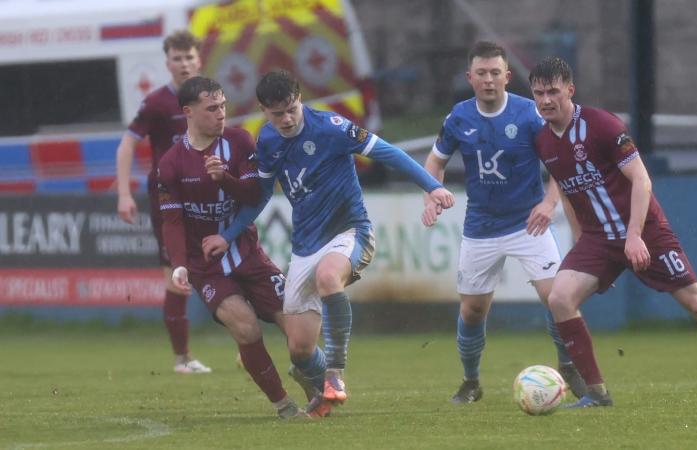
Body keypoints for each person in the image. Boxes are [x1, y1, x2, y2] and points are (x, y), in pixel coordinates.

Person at [201, 70, 455, 413]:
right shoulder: (267, 141)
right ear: (264, 110)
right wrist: (227, 235)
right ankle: (323, 394)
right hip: (305, 246)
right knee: (300, 349)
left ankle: (335, 374)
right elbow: (260, 198)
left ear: (299, 98)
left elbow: (388, 153)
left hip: (350, 231)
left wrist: (432, 186)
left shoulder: (332, 127)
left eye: (292, 108)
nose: (287, 119)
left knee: (327, 277)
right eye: (278, 113)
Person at [528, 56, 697, 407]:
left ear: (570, 90)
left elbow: (642, 180)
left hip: (645, 231)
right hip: (598, 239)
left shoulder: (602, 124)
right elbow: (568, 191)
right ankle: (597, 395)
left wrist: (633, 236)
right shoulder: (544, 141)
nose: (545, 100)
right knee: (559, 298)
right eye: (538, 93)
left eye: (552, 91)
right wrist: (581, 245)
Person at [421, 40, 587, 404]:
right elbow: (435, 162)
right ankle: (470, 381)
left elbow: (559, 161)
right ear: (470, 77)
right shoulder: (459, 117)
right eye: (481, 73)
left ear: (508, 77)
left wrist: (548, 201)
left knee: (557, 298)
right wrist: (431, 192)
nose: (489, 79)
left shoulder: (530, 115)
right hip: (481, 227)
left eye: (495, 72)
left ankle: (568, 366)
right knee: (473, 309)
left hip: (529, 224)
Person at [157, 76, 308, 419]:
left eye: (223, 106)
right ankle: (283, 405)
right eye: (212, 108)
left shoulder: (239, 141)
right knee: (246, 326)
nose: (221, 114)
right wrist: (179, 264)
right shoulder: (170, 163)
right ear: (188, 112)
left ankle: (318, 386)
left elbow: (255, 196)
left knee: (298, 331)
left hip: (248, 253)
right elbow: (173, 221)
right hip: (205, 265)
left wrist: (224, 178)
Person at [115, 30, 211, 374]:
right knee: (176, 275)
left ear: (198, 59)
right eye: (177, 58)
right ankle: (182, 358)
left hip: (211, 196)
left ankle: (247, 345)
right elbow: (127, 145)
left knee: (234, 267)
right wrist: (125, 194)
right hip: (169, 199)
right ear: (167, 62)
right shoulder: (156, 103)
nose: (184, 64)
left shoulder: (212, 99)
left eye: (189, 57)